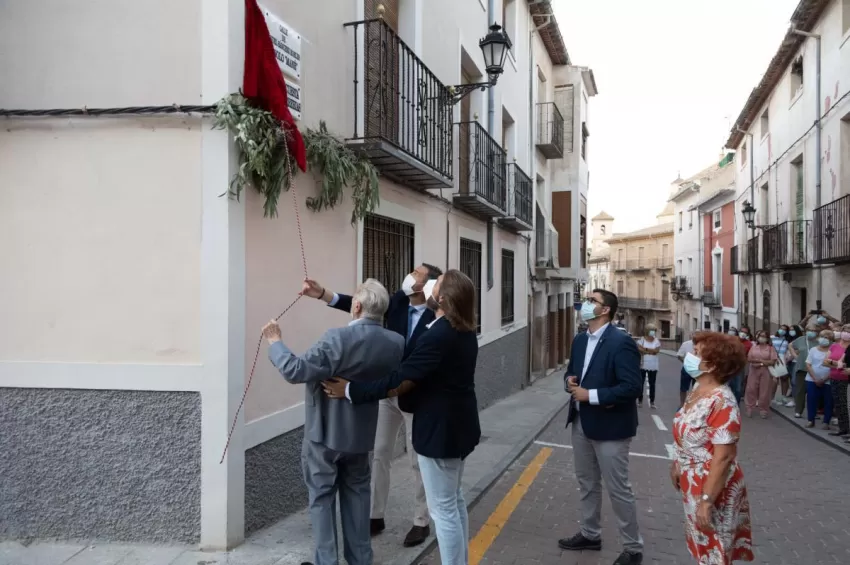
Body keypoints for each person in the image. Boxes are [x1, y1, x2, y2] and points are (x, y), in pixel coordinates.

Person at [322, 270, 480, 565]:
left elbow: (400, 380)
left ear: (442, 297)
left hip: (440, 431)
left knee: (443, 509)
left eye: (437, 281)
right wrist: (325, 294)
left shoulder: (439, 335)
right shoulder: (463, 329)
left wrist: (352, 390)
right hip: (459, 427)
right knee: (454, 502)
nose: (428, 283)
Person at [263, 279, 405, 565]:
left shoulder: (336, 339)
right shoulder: (396, 343)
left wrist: (275, 342)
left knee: (322, 499)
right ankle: (361, 559)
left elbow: (295, 370)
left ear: (356, 306)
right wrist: (324, 294)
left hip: (324, 434)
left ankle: (327, 561)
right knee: (357, 498)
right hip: (361, 434)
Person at [300, 263, 442, 546]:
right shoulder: (399, 301)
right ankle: (375, 515)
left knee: (418, 461)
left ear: (427, 285)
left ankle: (421, 521)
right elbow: (365, 308)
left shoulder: (436, 316)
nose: (410, 275)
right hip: (385, 394)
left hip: (417, 397)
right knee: (379, 454)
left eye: (417, 273)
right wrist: (322, 294)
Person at [559, 289, 644, 565]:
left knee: (618, 488)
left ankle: (633, 548)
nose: (585, 304)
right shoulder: (580, 340)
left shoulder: (621, 342)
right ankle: (590, 533)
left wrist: (591, 396)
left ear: (605, 309)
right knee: (586, 483)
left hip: (611, 426)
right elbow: (572, 372)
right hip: (581, 421)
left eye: (591, 301)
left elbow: (632, 387)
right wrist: (570, 383)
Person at [671, 332, 754, 564]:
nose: (690, 356)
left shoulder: (723, 401)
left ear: (713, 364)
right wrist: (678, 462)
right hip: (691, 479)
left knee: (715, 550)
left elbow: (724, 457)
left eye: (697, 353)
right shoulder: (697, 389)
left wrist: (707, 500)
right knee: (700, 546)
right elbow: (688, 434)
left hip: (712, 484)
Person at [744, 330, 778, 419]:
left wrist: (760, 363)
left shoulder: (771, 348)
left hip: (766, 372)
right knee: (751, 389)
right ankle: (749, 407)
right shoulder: (754, 347)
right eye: (760, 336)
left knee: (765, 391)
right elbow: (749, 359)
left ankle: (763, 409)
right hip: (753, 371)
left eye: (764, 336)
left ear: (767, 338)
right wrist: (762, 361)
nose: (761, 338)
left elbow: (773, 361)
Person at [804, 329, 834, 430]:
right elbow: (808, 364)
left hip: (828, 380)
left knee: (828, 400)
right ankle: (810, 420)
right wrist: (815, 378)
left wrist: (824, 379)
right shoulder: (813, 350)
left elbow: (834, 367)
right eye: (822, 337)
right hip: (812, 379)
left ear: (831, 340)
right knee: (811, 399)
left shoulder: (832, 351)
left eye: (827, 338)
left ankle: (826, 422)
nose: (824, 339)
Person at [824, 325, 850, 437]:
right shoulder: (834, 346)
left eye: (849, 331)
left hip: (846, 379)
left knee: (846, 405)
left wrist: (837, 364)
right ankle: (843, 428)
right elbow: (825, 361)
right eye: (844, 330)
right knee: (839, 405)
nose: (846, 333)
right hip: (835, 378)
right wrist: (838, 364)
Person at [790, 326, 819, 418]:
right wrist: (794, 355)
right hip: (802, 368)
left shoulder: (819, 341)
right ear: (806, 331)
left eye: (814, 330)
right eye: (810, 330)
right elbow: (790, 345)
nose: (812, 332)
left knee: (814, 392)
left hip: (814, 369)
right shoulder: (800, 339)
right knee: (800, 391)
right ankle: (798, 411)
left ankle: (814, 411)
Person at [637, 324, 661, 409]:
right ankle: (640, 400)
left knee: (652, 384)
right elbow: (639, 349)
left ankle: (652, 401)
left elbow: (656, 351)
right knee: (641, 383)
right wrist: (650, 351)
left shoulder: (656, 341)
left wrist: (646, 350)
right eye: (651, 330)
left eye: (654, 330)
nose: (653, 332)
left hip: (653, 365)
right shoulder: (642, 340)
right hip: (643, 364)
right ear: (647, 331)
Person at [769, 325, 791, 407]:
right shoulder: (772, 337)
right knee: (775, 378)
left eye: (785, 330)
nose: (782, 330)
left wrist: (788, 359)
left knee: (784, 378)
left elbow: (788, 350)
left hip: (783, 359)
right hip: (774, 358)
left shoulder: (787, 339)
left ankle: (783, 397)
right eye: (781, 328)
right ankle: (772, 398)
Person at [676, 338, 695, 407]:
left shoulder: (703, 344)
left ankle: (694, 404)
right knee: (683, 388)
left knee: (696, 388)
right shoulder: (686, 344)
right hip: (687, 369)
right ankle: (682, 404)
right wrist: (686, 362)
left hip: (698, 369)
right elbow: (679, 355)